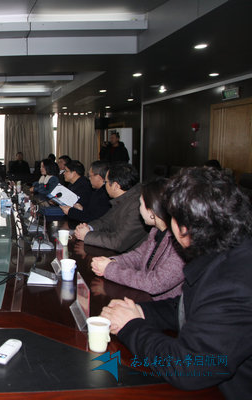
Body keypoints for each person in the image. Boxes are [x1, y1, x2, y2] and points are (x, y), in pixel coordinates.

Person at [101, 167, 252, 398]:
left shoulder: (234, 285)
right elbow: (189, 307)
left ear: (184, 230)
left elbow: (189, 368)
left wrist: (130, 326)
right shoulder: (225, 251)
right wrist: (141, 312)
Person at [91, 178, 185, 300]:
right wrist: (112, 261)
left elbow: (154, 283)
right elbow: (138, 256)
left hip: (162, 306)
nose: (139, 209)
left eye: (141, 204)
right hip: (144, 297)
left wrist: (110, 269)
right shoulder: (156, 231)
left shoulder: (181, 243)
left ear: (152, 210)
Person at [74, 163, 147, 253]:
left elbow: (118, 242)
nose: (105, 186)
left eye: (106, 182)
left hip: (132, 257)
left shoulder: (138, 205)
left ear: (115, 186)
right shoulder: (124, 198)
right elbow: (105, 221)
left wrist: (87, 235)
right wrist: (88, 227)